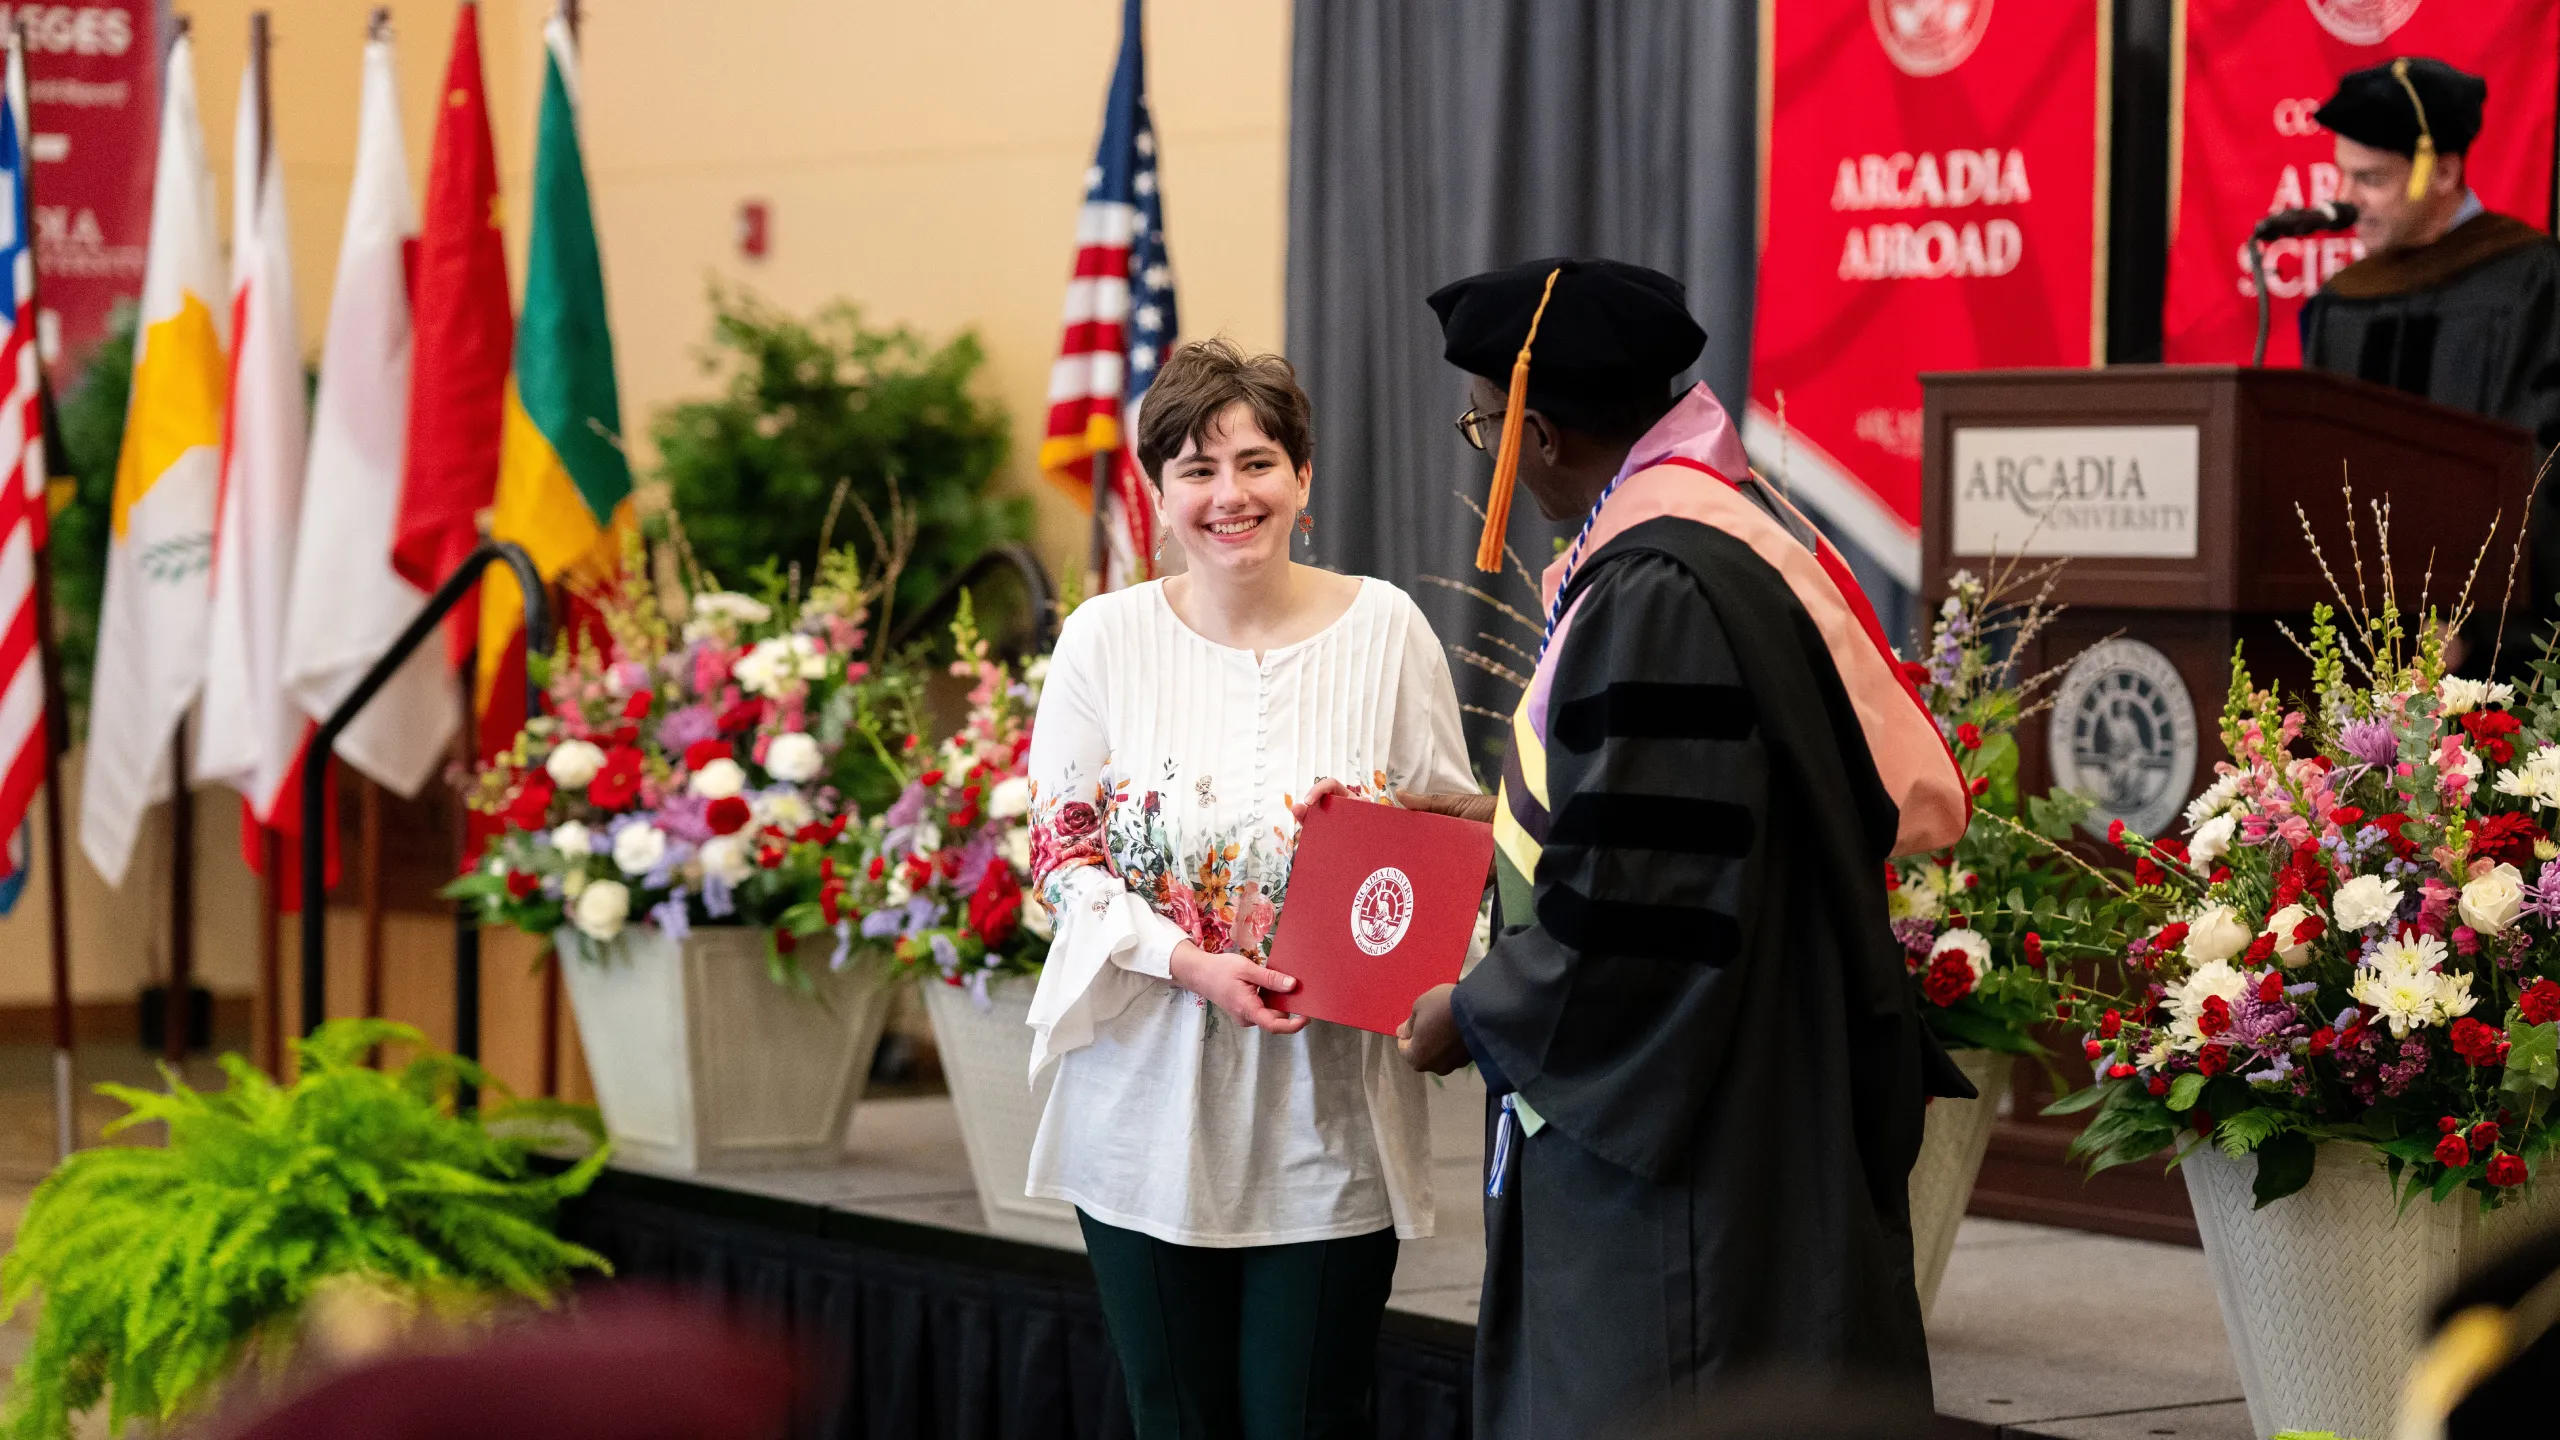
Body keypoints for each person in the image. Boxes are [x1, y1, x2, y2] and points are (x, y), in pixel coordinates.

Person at [1384, 257, 1974, 1436]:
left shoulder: (1656, 585)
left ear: (1538, 434)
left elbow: (1635, 912)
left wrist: (1482, 1010)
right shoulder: (1720, 534)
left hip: (1691, 1136)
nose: (1487, 444)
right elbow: (1656, 822)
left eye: (1483, 426)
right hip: (1756, 1061)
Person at [1019, 338, 1476, 1439]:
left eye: (1258, 462)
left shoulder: (1386, 630)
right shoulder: (1103, 640)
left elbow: (1456, 830)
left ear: (1304, 478)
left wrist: (1373, 843)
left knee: (1305, 1420)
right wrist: (1183, 960)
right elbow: (1061, 857)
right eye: (1196, 468)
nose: (1231, 495)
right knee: (1174, 1418)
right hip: (1142, 1110)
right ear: (1157, 492)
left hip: (1327, 1114)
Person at [2300, 56, 2560, 674]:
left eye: (2372, 179)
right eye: (2342, 177)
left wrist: (2474, 623)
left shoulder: (2530, 280)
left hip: (2484, 650)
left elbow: (2542, 462)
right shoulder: (2343, 302)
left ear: (2443, 172)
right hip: (2358, 643)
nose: (2345, 201)